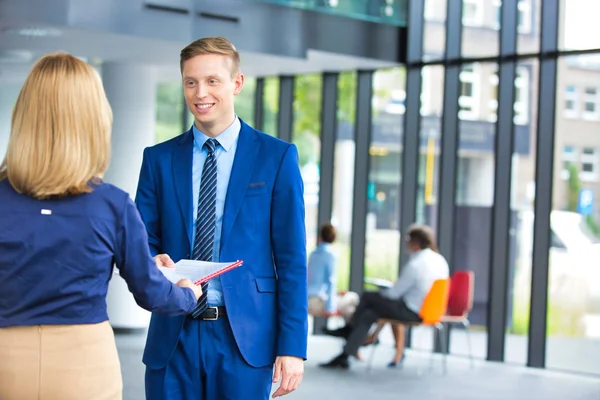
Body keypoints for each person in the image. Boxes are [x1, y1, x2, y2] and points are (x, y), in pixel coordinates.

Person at [0, 53, 203, 400]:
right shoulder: (111, 205)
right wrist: (188, 293)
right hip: (83, 361)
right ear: (93, 119)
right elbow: (151, 291)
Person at [136, 36, 307, 399]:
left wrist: (292, 346)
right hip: (173, 332)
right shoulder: (158, 159)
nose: (201, 93)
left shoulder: (276, 157)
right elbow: (140, 240)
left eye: (213, 81)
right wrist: (152, 259)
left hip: (244, 337)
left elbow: (292, 260)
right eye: (191, 82)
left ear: (237, 83)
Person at [319, 224, 449, 369]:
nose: (406, 243)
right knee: (369, 314)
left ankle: (349, 330)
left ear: (416, 243)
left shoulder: (417, 264)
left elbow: (394, 294)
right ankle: (344, 356)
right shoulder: (440, 260)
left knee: (368, 296)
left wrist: (386, 290)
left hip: (411, 311)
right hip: (430, 311)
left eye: (408, 240)